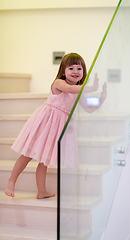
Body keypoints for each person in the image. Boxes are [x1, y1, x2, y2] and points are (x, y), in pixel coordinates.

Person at [5, 52, 106, 199]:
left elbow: (88, 108)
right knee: (27, 154)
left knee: (44, 160)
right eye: (71, 68)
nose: (76, 72)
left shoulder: (79, 91)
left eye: (79, 68)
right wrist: (91, 87)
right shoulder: (59, 83)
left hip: (58, 128)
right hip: (45, 122)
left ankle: (42, 191)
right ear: (63, 72)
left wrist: (101, 98)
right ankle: (11, 181)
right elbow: (70, 89)